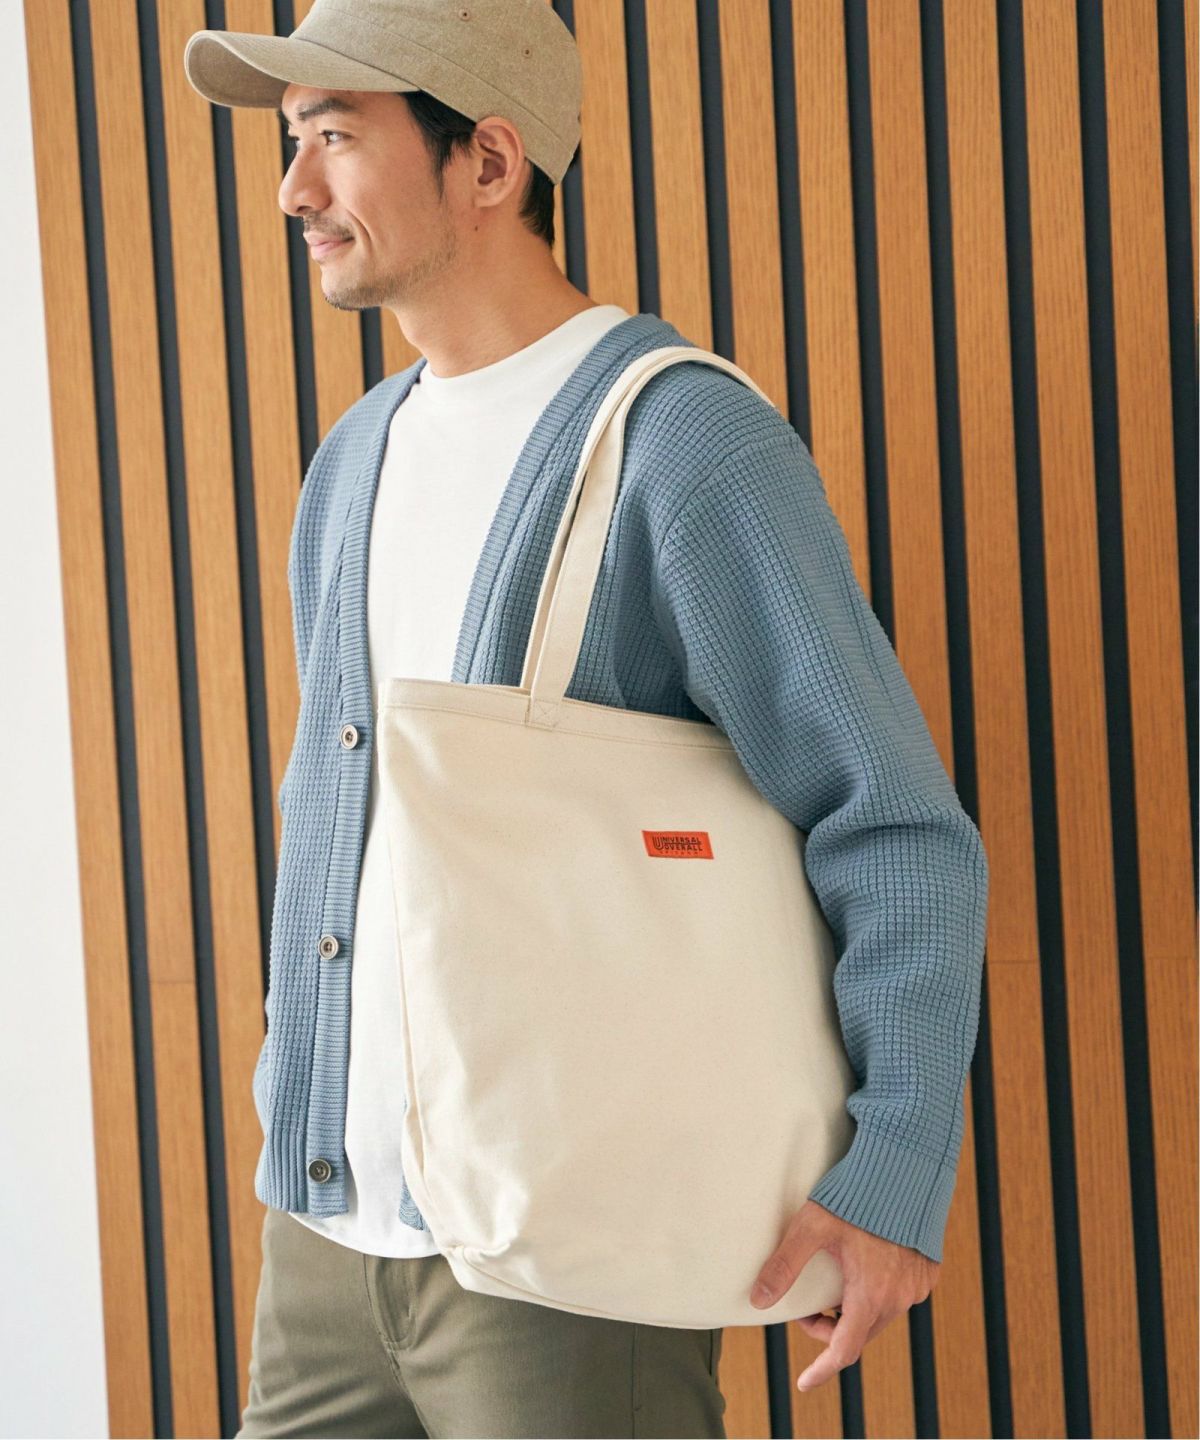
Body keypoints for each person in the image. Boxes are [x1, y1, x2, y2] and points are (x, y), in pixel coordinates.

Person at [183, 2, 988, 1436]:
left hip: (562, 1262)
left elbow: (895, 826)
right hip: (323, 1243)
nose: (293, 189)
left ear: (489, 163)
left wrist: (895, 1173)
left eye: (335, 139)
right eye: (292, 143)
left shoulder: (682, 442)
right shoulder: (354, 459)